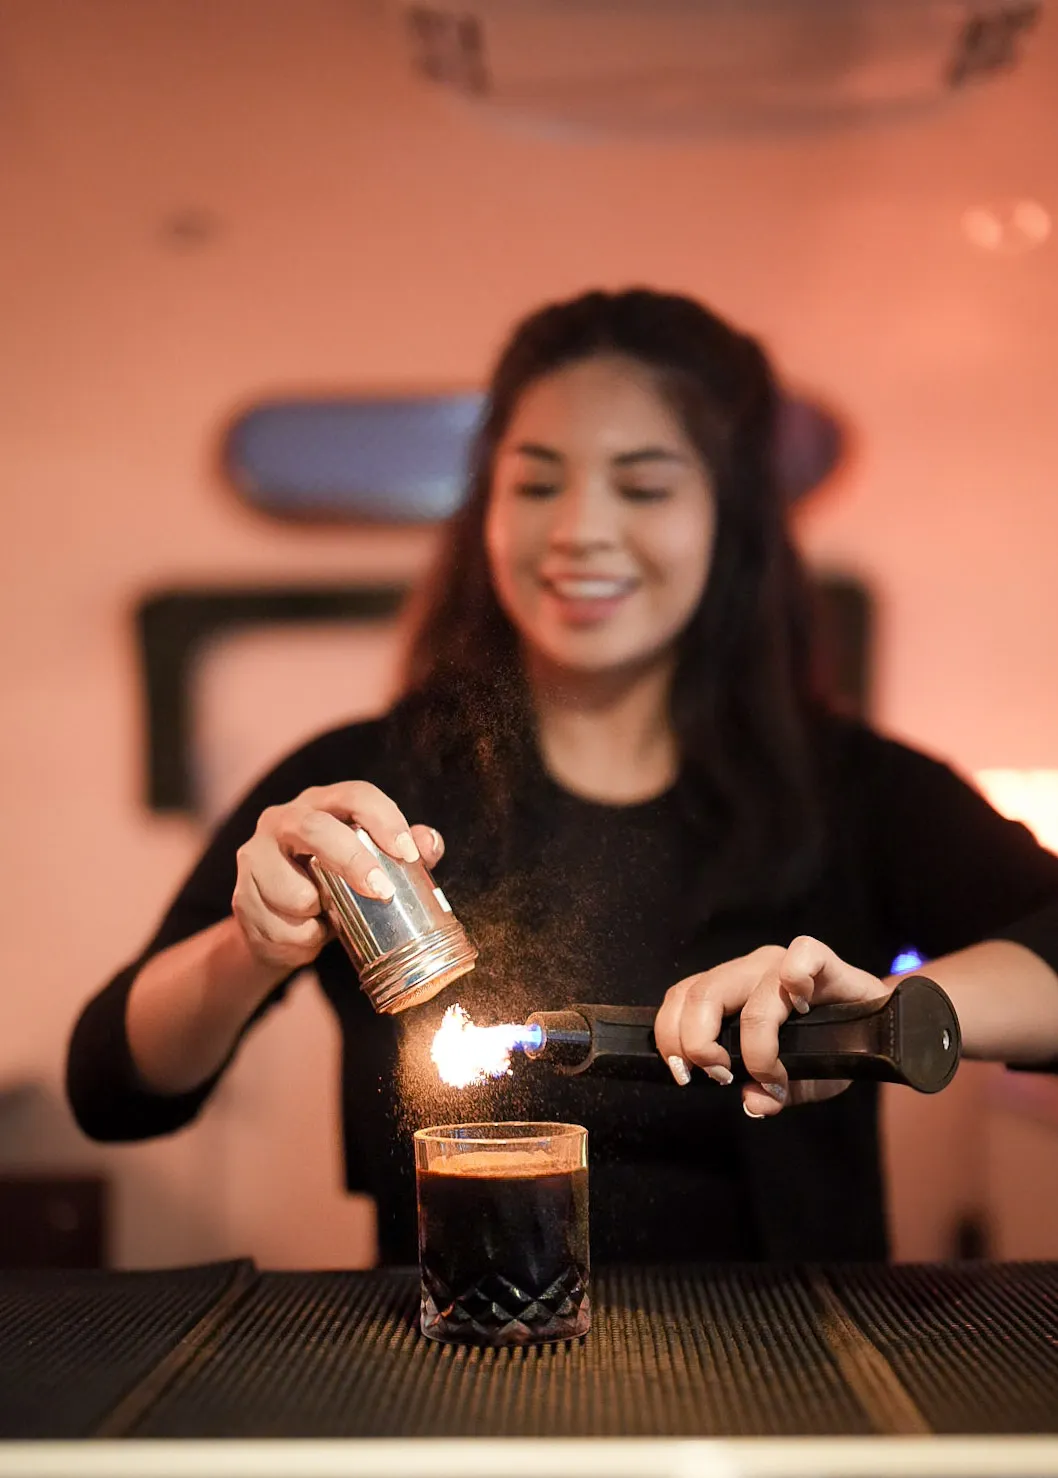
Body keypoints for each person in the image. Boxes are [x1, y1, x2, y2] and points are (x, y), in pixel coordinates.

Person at [66, 289, 1058, 1265]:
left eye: (643, 485)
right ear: (483, 507)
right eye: (536, 483)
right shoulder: (362, 781)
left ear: (732, 519)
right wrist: (251, 944)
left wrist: (887, 1014)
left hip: (789, 1380)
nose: (579, 527)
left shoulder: (855, 790)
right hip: (448, 1370)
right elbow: (113, 1088)